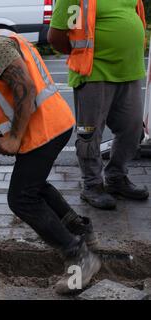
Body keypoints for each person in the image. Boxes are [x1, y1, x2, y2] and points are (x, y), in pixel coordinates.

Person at [0, 15, 100, 294]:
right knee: (35, 185)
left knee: (20, 198)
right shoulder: (5, 37)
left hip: (43, 130)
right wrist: (3, 131)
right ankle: (81, 230)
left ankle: (78, 255)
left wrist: (16, 136)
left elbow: (25, 87)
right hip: (55, 122)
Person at [48, 0, 149, 210]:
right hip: (94, 73)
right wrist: (83, 55)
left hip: (129, 71)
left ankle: (116, 178)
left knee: (132, 131)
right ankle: (92, 185)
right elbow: (56, 37)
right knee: (89, 134)